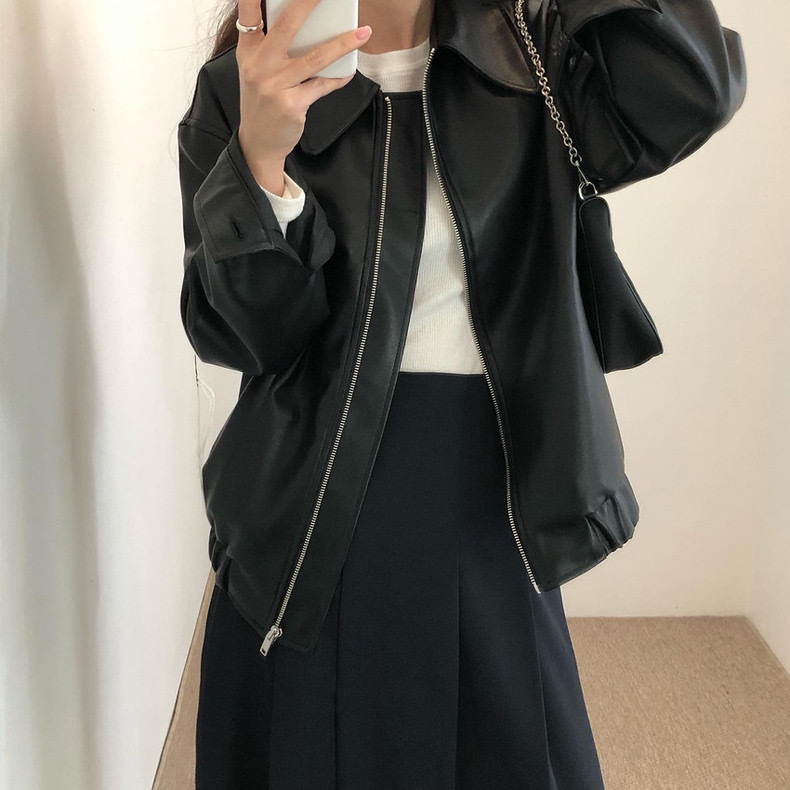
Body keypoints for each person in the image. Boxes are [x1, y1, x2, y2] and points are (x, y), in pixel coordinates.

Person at [176, 0, 746, 785]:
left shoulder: (532, 54)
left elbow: (695, 87)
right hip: (311, 509)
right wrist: (261, 162)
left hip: (494, 491)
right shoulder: (241, 84)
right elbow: (250, 340)